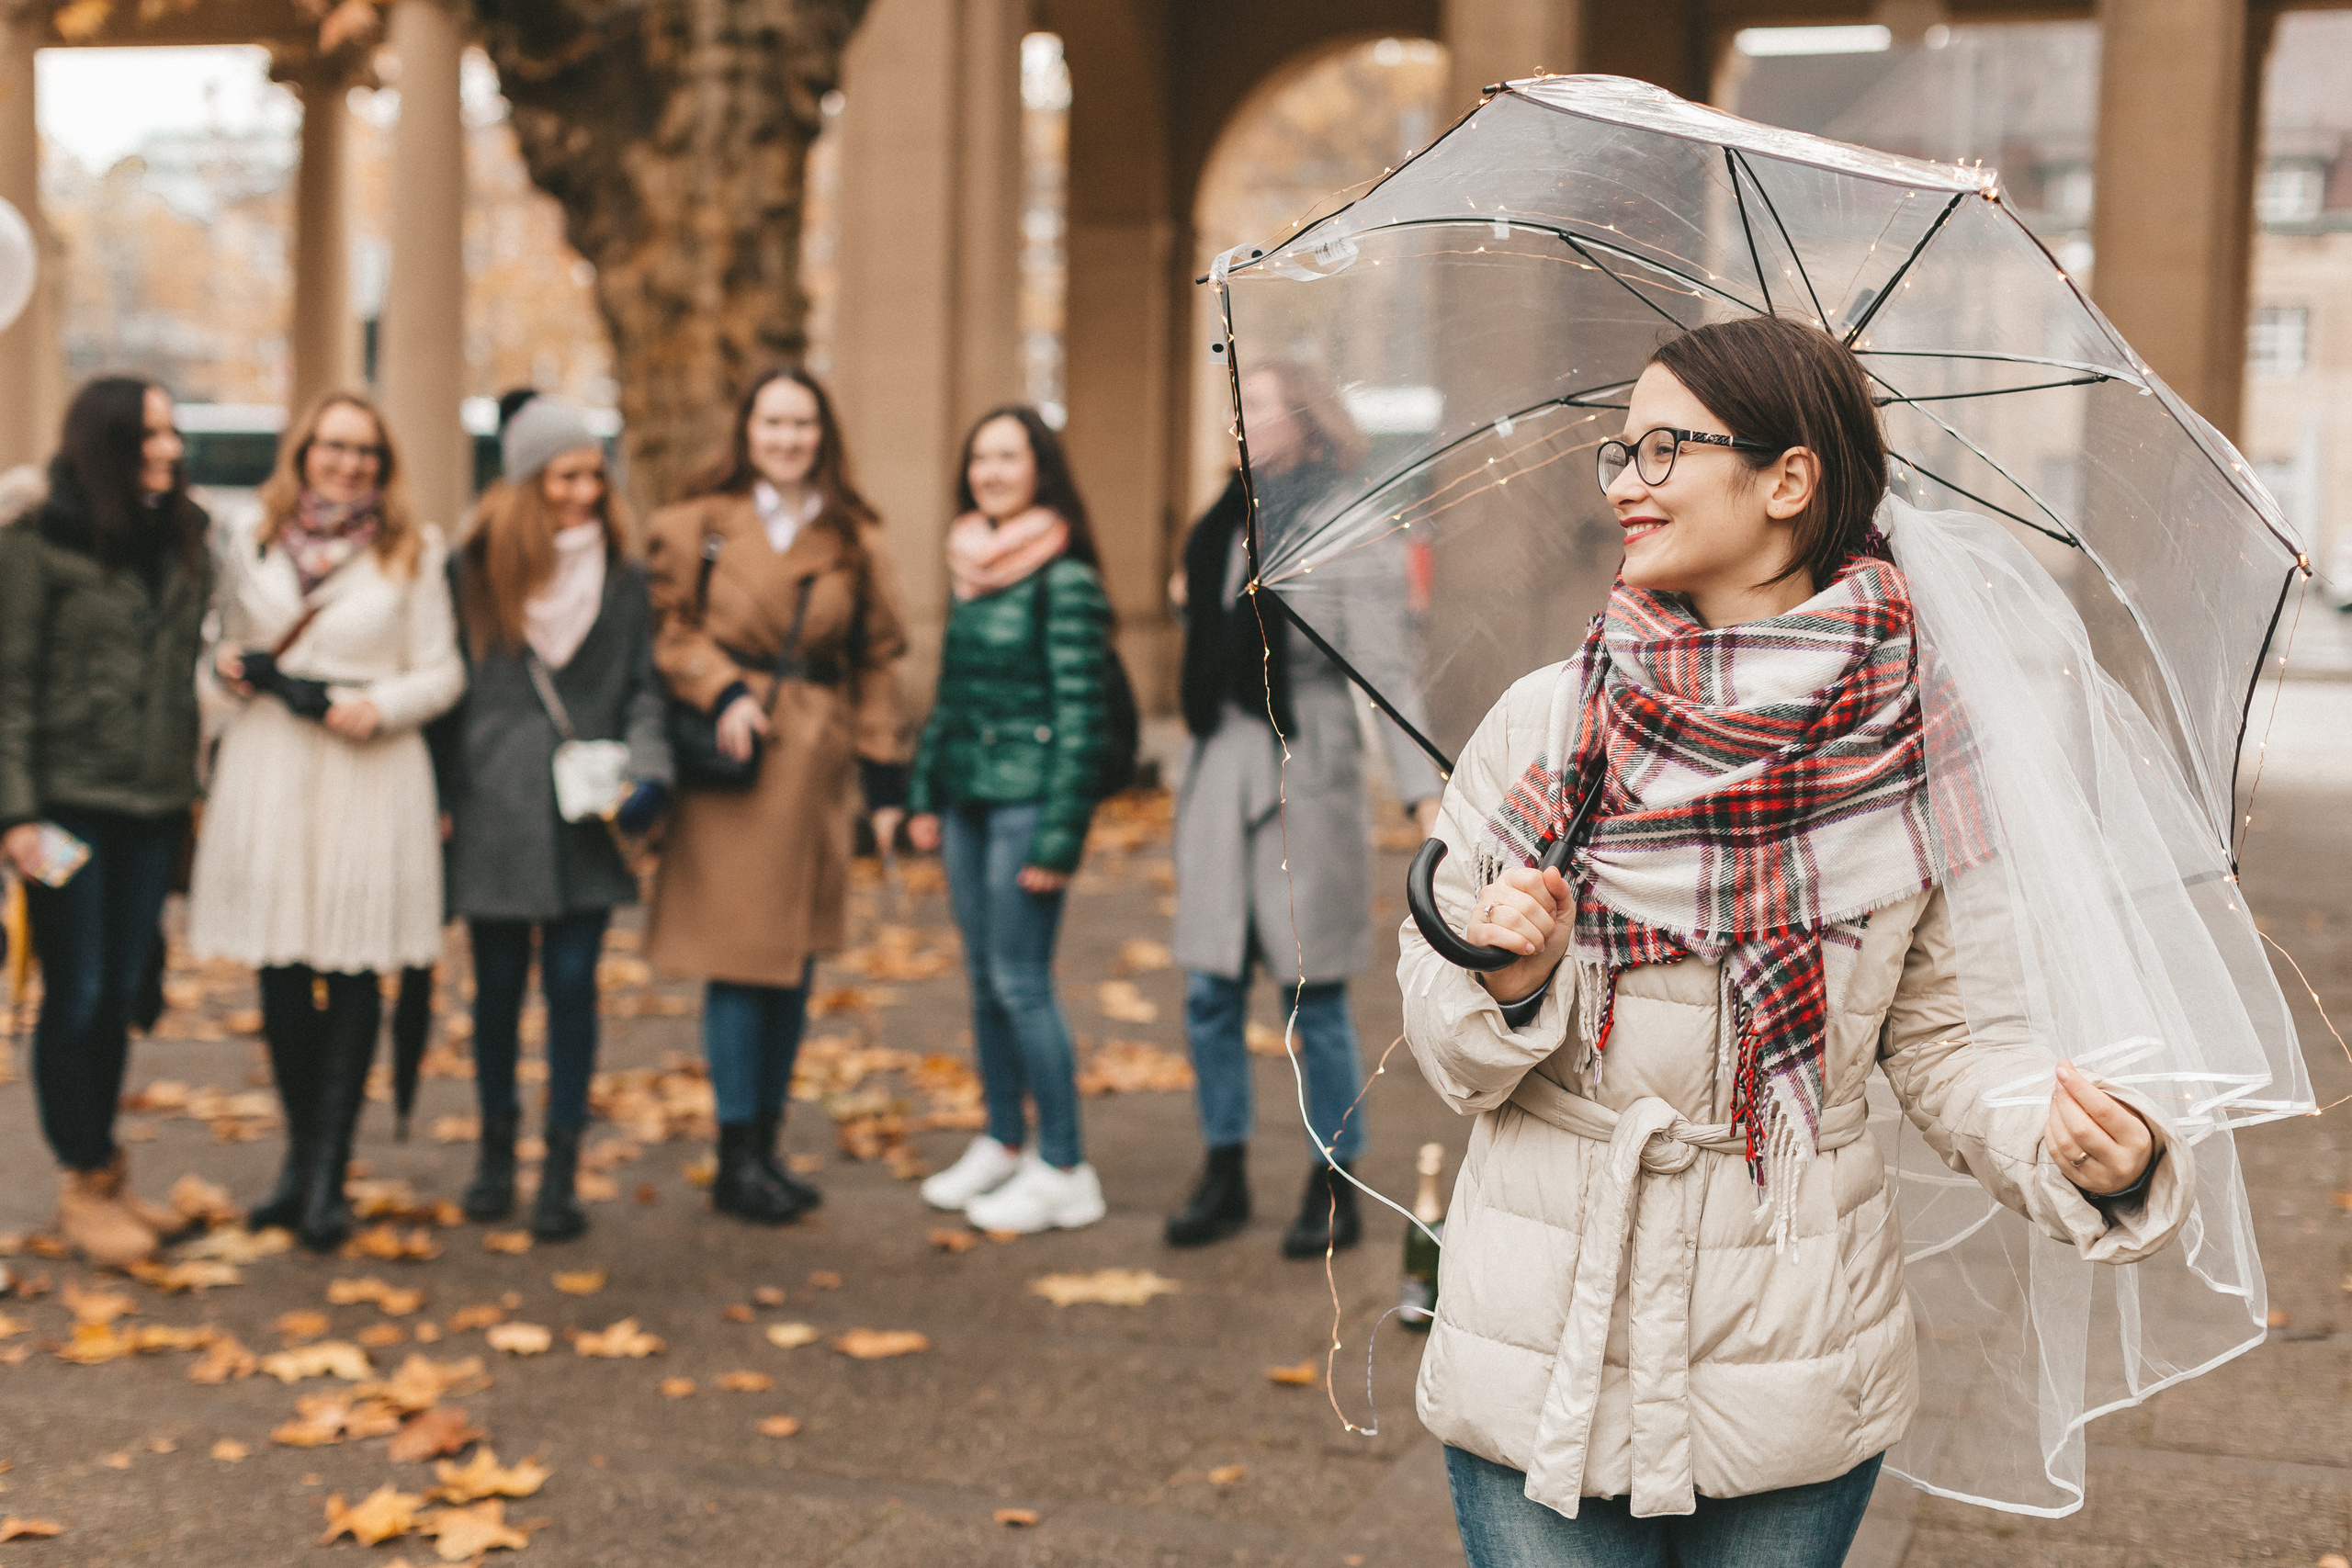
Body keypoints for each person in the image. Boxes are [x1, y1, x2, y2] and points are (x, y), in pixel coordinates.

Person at [1403, 316, 2190, 1567]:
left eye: (1665, 447)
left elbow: (1946, 1039)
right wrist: (1507, 986)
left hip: (1799, 1351)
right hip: (1543, 1337)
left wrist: (2082, 1149)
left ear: (1788, 479)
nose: (1626, 481)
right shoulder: (1548, 726)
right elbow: (1453, 1060)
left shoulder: (1919, 747)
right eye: (1620, 451)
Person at [1164, 364, 1443, 1258]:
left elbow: (1385, 671)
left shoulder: (1348, 530)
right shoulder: (1223, 521)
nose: (1239, 420)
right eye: (1238, 405)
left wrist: (1422, 791)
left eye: (1258, 405)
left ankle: (1336, 1180)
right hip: (1220, 767)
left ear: (1309, 422)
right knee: (1209, 991)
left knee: (1310, 996)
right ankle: (1223, 1168)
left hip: (1306, 765)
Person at [188, 391, 464, 1252]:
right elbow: (213, 648)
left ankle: (330, 1176)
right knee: (279, 970)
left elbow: (443, 671)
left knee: (353, 971)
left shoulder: (414, 552)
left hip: (367, 774)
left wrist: (376, 706)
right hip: (270, 769)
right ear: (303, 453)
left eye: (366, 453)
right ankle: (298, 1158)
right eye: (333, 447)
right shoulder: (250, 540)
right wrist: (225, 677)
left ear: (384, 467)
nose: (348, 465)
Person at [645, 367, 910, 1224]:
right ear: (747, 432)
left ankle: (766, 1141)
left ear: (821, 435)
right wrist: (720, 687)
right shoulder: (695, 526)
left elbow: (875, 658)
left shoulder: (855, 537)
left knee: (792, 962)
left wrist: (883, 775)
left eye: (803, 424)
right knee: (739, 959)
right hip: (734, 760)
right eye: (773, 422)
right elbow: (666, 626)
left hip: (816, 760)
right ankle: (732, 1152)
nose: (788, 438)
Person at [444, 400, 671, 1240]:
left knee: (572, 988)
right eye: (565, 476)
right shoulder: (472, 570)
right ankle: (496, 1152)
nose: (583, 492)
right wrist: (442, 794)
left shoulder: (627, 578)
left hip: (587, 811)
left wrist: (650, 773)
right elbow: (452, 689)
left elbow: (648, 686)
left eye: (592, 475)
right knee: (496, 992)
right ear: (527, 483)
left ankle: (561, 1168)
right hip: (493, 806)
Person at [0, 378, 211, 1266]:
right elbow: (7, 688)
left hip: (154, 806)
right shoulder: (35, 542)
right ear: (108, 441)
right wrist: (14, 812)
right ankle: (82, 1179)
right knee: (76, 995)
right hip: (63, 809)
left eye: (172, 433)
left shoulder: (187, 542)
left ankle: (109, 1176)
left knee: (125, 994)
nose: (168, 448)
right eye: (150, 434)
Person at [909, 406, 1114, 1235]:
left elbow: (1083, 717)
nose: (991, 471)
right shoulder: (969, 562)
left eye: (1009, 457)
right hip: (967, 797)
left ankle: (1065, 1164)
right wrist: (926, 792)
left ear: (1040, 470)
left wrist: (1060, 834)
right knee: (984, 980)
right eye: (980, 458)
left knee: (1022, 981)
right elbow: (950, 694)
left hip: (1030, 802)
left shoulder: (1064, 578)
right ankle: (1002, 1138)